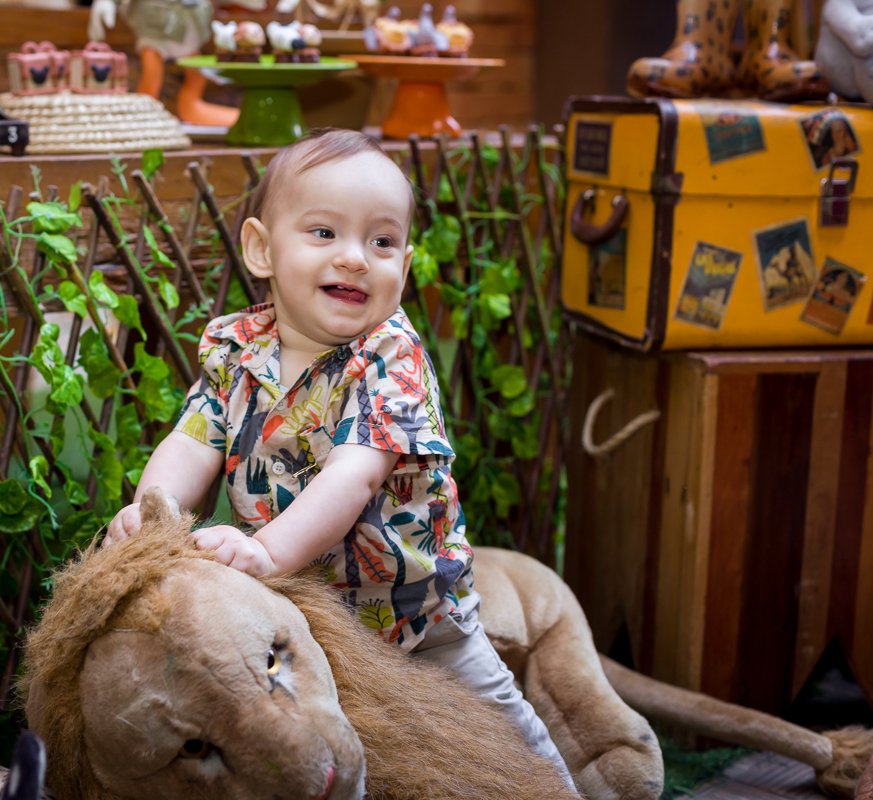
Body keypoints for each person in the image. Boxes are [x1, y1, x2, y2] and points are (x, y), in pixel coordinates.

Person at [103, 127, 575, 787]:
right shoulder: (235, 350)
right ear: (262, 249)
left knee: (502, 738)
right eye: (324, 233)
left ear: (403, 268)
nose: (354, 258)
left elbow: (353, 477)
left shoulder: (390, 358)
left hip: (417, 615)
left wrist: (264, 553)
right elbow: (192, 438)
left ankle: (557, 788)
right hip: (303, 620)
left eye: (381, 242)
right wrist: (154, 511)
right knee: (339, 753)